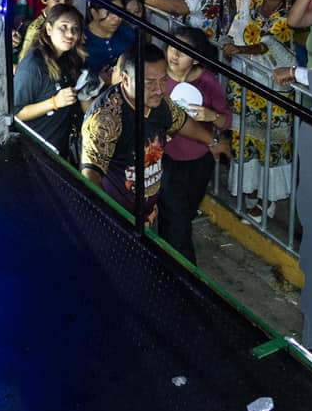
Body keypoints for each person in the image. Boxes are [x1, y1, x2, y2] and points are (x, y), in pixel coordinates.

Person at [78, 43, 223, 224]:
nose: (159, 89)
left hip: (147, 212)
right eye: (149, 83)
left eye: (163, 80)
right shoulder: (106, 119)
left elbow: (182, 121)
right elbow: (91, 175)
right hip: (117, 218)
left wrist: (213, 141)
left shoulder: (160, 103)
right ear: (125, 79)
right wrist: (105, 221)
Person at [156, 31, 232, 263]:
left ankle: (164, 257)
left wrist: (211, 116)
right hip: (164, 158)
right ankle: (186, 273)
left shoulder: (207, 81)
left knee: (182, 215)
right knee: (177, 219)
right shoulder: (156, 76)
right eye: (172, 47)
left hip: (199, 160)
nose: (175, 54)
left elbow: (226, 119)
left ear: (196, 59)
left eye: (184, 51)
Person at [12, 4, 88, 159]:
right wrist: (54, 102)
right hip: (36, 153)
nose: (70, 34)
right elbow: (17, 113)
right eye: (63, 27)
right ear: (48, 29)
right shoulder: (33, 65)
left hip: (59, 148)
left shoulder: (69, 57)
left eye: (75, 29)